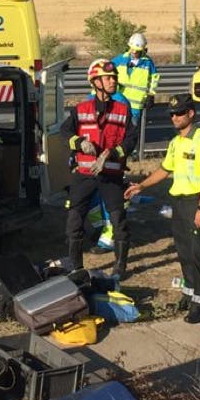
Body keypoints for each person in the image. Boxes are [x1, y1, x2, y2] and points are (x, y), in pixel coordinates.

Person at [125, 93, 200, 323]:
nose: (174, 117)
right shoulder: (176, 143)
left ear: (191, 114)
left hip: (196, 202)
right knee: (184, 251)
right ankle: (188, 293)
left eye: (179, 113)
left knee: (197, 253)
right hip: (179, 202)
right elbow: (165, 169)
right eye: (172, 114)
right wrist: (141, 186)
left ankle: (199, 301)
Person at [61, 59, 137, 277]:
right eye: (108, 78)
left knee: (118, 221)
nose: (113, 81)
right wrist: (79, 143)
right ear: (95, 82)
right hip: (84, 175)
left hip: (111, 175)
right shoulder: (81, 109)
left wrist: (109, 154)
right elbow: (65, 132)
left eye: (114, 78)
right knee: (74, 222)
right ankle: (76, 268)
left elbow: (131, 140)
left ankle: (120, 267)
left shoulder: (123, 110)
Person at [111, 32, 160, 125]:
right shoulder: (120, 60)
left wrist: (151, 95)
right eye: (133, 49)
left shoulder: (148, 63)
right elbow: (108, 72)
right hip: (118, 102)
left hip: (136, 106)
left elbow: (154, 79)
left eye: (137, 50)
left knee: (132, 132)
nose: (134, 52)